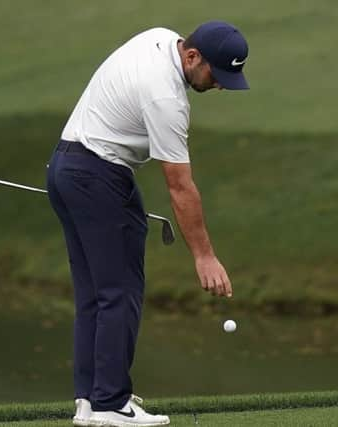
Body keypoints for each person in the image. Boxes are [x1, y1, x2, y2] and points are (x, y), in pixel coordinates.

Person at [46, 21, 249, 427]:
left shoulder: (159, 36)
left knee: (96, 294)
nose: (221, 86)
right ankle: (110, 402)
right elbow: (180, 187)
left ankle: (91, 400)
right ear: (191, 57)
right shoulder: (166, 98)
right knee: (120, 291)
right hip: (98, 175)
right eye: (216, 75)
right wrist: (205, 257)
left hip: (65, 167)